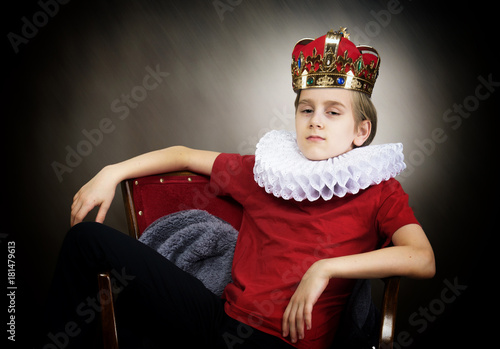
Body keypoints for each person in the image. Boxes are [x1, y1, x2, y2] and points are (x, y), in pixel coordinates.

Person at [41, 28, 435, 349]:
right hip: (219, 323)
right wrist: (111, 171)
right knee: (86, 239)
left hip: (287, 345)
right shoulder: (266, 171)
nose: (316, 120)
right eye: (306, 108)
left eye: (333, 112)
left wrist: (326, 268)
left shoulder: (378, 190)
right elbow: (183, 155)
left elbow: (421, 258)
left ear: (360, 131)